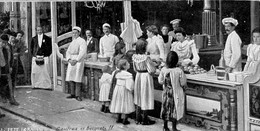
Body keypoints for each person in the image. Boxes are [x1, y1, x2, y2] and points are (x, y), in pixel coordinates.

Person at [158, 51, 187, 131]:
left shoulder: (163, 69)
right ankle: (174, 127)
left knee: (165, 108)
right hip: (175, 93)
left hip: (166, 92)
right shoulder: (179, 70)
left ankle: (165, 126)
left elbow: (160, 81)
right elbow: (183, 82)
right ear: (176, 61)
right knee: (174, 109)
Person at [132, 39, 156, 125]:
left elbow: (135, 69)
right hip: (146, 77)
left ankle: (138, 118)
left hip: (138, 76)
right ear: (144, 48)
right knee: (145, 96)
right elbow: (152, 70)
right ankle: (145, 119)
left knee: (139, 96)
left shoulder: (134, 56)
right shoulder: (146, 58)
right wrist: (154, 66)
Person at [110, 58, 135, 125]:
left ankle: (118, 118)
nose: (129, 64)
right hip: (125, 91)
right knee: (126, 104)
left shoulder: (117, 73)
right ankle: (125, 119)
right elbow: (130, 85)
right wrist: (131, 89)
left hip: (118, 90)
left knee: (119, 103)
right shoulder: (128, 75)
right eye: (128, 63)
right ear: (124, 66)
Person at [65, 26, 87, 101]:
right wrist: (69, 59)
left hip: (78, 61)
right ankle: (72, 93)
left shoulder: (82, 41)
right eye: (73, 33)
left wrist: (76, 60)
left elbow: (82, 52)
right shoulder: (72, 42)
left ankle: (78, 95)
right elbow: (68, 52)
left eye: (76, 33)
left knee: (77, 78)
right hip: (71, 61)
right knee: (71, 77)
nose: (74, 34)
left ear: (79, 33)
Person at [0, 34, 19, 106]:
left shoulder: (8, 47)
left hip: (6, 68)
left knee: (9, 84)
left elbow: (10, 58)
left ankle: (11, 99)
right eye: (3, 42)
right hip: (1, 69)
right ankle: (3, 97)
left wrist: (10, 66)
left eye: (5, 42)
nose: (4, 43)